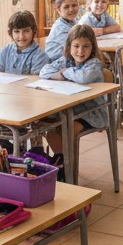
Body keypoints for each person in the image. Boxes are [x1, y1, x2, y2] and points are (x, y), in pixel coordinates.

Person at [39, 24, 108, 155]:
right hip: (70, 110)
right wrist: (58, 75)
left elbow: (83, 77)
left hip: (92, 112)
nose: (80, 51)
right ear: (69, 46)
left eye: (86, 46)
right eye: (76, 46)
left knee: (68, 130)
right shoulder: (66, 60)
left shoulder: (93, 63)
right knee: (50, 130)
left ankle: (67, 166)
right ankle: (63, 164)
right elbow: (44, 71)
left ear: (92, 47)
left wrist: (65, 73)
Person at [0, 10, 48, 75]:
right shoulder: (6, 50)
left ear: (33, 31)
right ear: (11, 33)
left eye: (26, 31)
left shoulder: (40, 55)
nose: (21, 36)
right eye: (17, 31)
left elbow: (35, 80)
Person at [44, 0, 80, 64]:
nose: (71, 9)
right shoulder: (60, 28)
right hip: (57, 63)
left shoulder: (72, 22)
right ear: (58, 10)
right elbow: (75, 49)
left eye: (74, 5)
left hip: (70, 59)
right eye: (66, 7)